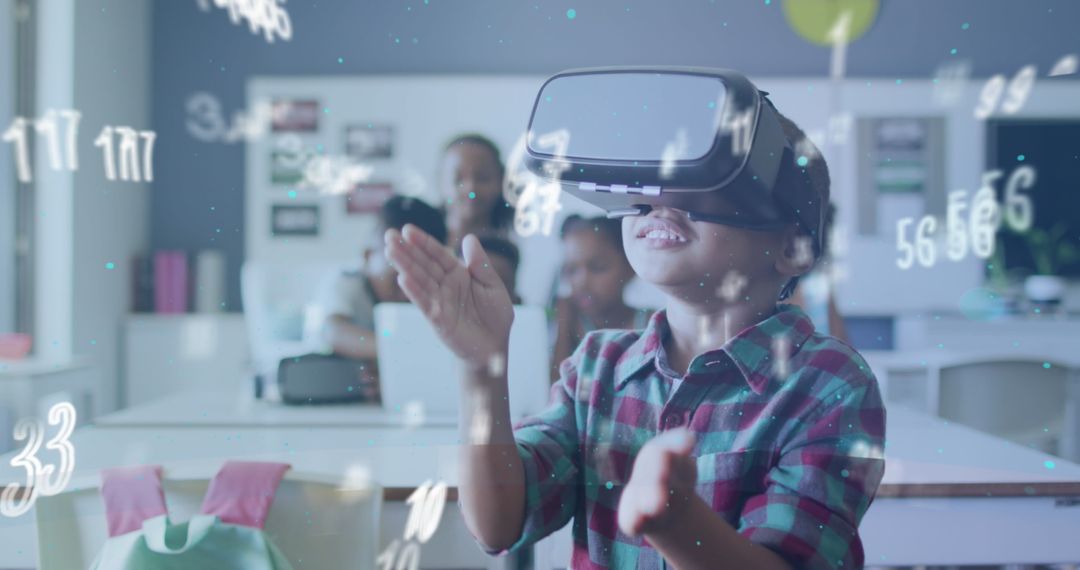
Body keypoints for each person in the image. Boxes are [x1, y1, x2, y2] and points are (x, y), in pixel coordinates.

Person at [385, 82, 884, 568]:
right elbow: (499, 523)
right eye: (646, 183)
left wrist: (677, 523)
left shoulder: (830, 384)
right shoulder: (598, 366)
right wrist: (481, 372)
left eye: (706, 182)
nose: (659, 197)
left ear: (793, 246)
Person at [316, 195, 448, 362]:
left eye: (421, 276)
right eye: (397, 277)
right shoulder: (346, 282)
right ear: (367, 256)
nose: (407, 289)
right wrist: (397, 354)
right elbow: (333, 332)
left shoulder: (436, 295)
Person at [550, 215, 651, 381]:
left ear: (631, 266)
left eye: (598, 268)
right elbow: (551, 398)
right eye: (571, 270)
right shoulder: (561, 323)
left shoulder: (653, 325)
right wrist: (563, 327)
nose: (581, 282)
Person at [438, 134, 514, 250]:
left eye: (483, 178)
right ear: (440, 181)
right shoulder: (417, 237)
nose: (471, 189)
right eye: (458, 178)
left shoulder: (504, 254)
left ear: (501, 182)